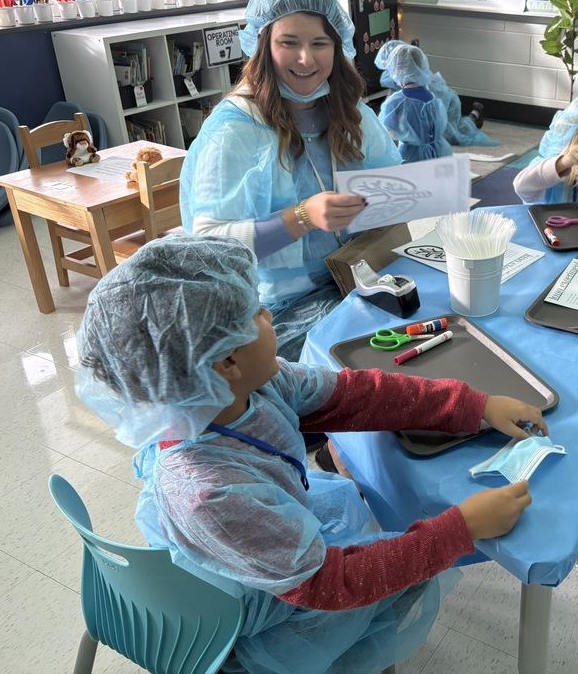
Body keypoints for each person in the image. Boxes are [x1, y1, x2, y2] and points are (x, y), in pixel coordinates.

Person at [74, 234, 549, 674]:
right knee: (395, 570)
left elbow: (352, 395)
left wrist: (473, 404)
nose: (267, 317)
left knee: (367, 527)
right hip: (241, 611)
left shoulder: (246, 389)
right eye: (256, 313)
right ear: (226, 362)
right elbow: (332, 585)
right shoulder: (211, 493)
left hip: (259, 547)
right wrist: (459, 531)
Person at [180, 0, 402, 362]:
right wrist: (303, 216)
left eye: (320, 43)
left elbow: (393, 189)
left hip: (360, 277)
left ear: (338, 48)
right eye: (289, 43)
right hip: (277, 312)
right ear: (263, 46)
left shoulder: (351, 113)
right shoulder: (234, 131)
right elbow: (210, 248)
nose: (306, 59)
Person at [375, 39, 497, 146]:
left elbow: (386, 126)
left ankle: (475, 115)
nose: (389, 71)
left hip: (448, 103)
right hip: (441, 113)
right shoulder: (425, 89)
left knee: (455, 133)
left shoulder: (400, 94)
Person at [376, 43, 454, 162]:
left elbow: (384, 133)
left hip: (409, 159)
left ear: (396, 69)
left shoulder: (396, 102)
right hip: (436, 155)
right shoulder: (433, 99)